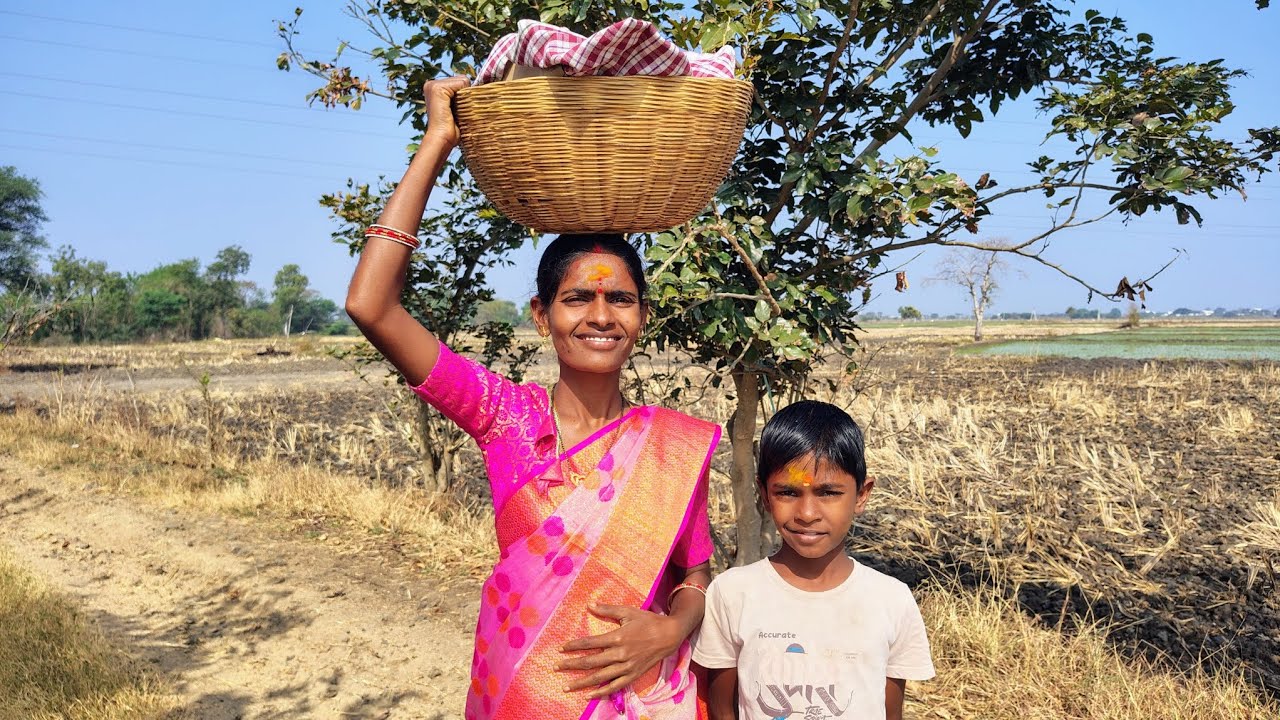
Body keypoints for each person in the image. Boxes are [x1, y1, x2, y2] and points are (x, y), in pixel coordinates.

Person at [344, 76, 720, 720]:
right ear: (542, 316)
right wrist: (438, 138)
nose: (600, 316)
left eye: (620, 298)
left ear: (643, 315)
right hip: (525, 693)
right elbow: (369, 305)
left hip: (643, 698)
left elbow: (694, 573)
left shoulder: (669, 446)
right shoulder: (504, 416)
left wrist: (669, 629)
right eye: (578, 298)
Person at [692, 401, 934, 720]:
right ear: (764, 495)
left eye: (828, 493)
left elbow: (891, 711)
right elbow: (723, 709)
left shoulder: (891, 601)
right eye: (788, 493)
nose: (807, 514)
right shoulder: (731, 594)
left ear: (862, 494)